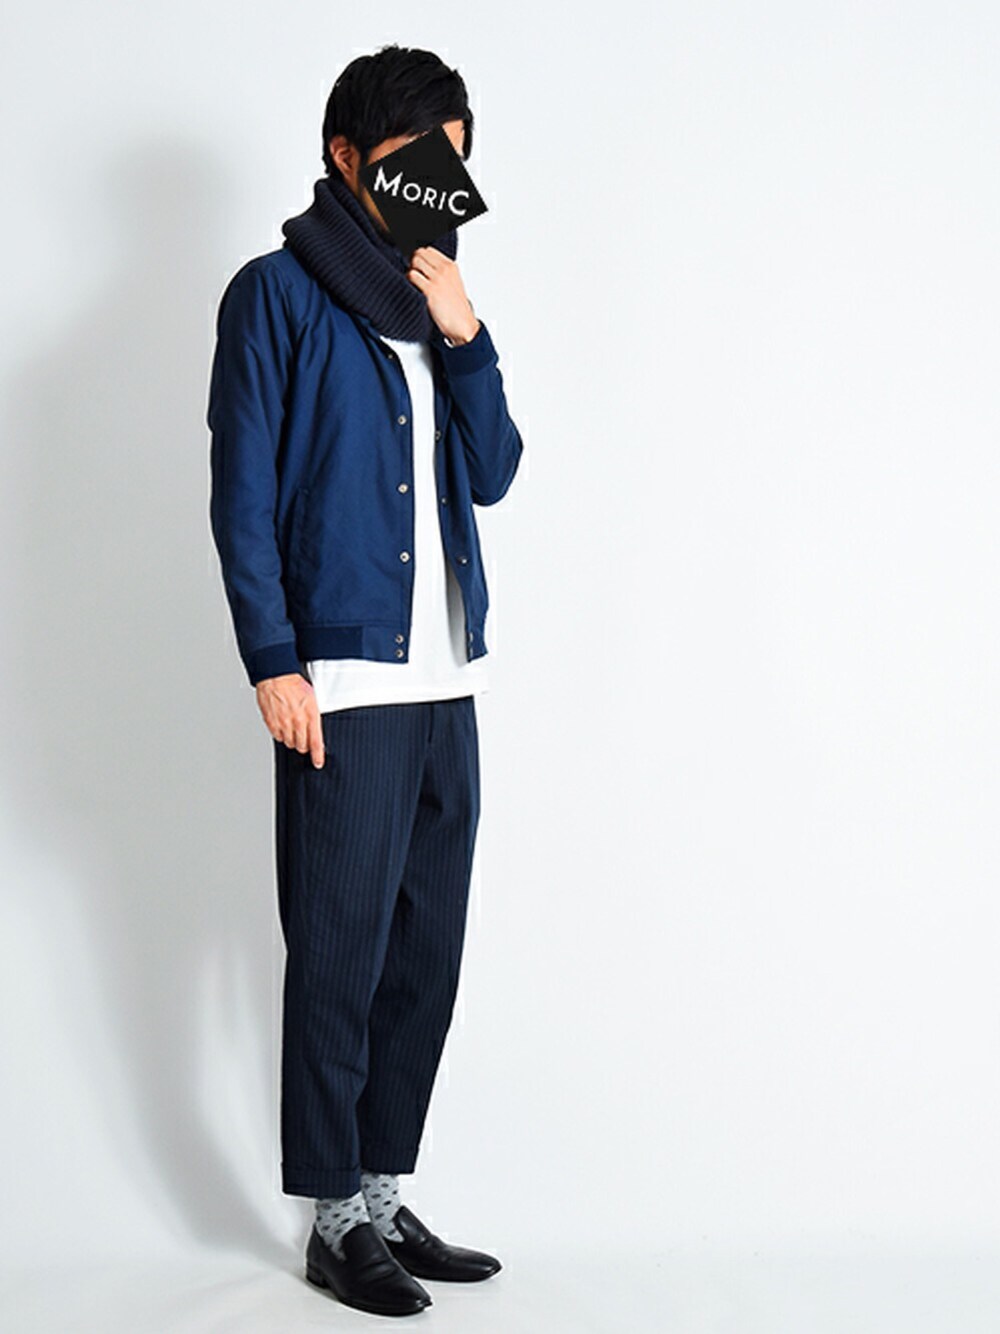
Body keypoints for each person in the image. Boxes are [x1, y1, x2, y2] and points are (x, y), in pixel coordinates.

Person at [206, 43, 524, 1318]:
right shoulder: (275, 295)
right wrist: (272, 658)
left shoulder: (435, 300)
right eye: (412, 158)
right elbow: (240, 494)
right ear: (347, 157)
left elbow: (494, 472)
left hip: (446, 678)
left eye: (453, 160)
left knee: (424, 954)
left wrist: (468, 336)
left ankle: (383, 1194)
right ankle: (333, 1216)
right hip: (340, 675)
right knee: (337, 954)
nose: (435, 183)